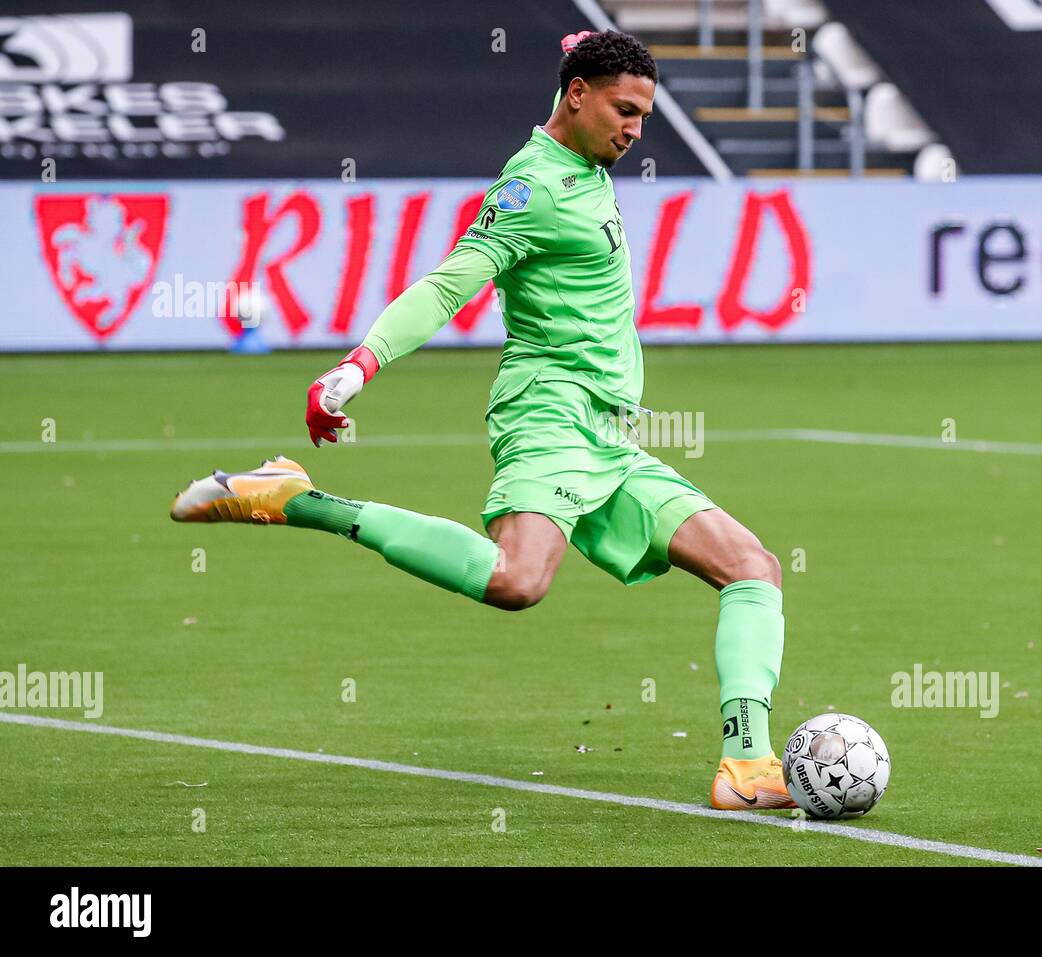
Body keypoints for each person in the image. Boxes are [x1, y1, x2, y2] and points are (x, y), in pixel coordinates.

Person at [170, 30, 793, 810]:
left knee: (753, 567)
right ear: (578, 97)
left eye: (644, 117)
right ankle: (297, 499)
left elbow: (584, 78)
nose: (634, 131)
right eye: (623, 111)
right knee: (516, 581)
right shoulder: (531, 190)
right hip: (549, 415)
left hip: (606, 431)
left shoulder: (584, 150)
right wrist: (358, 363)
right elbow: (447, 283)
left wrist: (581, 50)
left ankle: (748, 766)